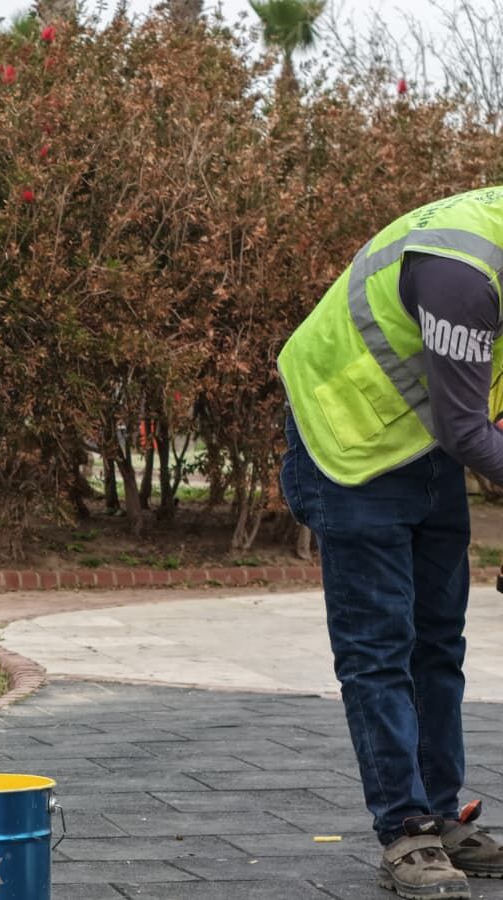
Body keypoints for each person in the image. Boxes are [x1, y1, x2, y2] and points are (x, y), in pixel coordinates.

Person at [279, 185, 503, 899]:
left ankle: (444, 814)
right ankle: (406, 830)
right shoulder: (463, 272)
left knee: (439, 641)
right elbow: (471, 430)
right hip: (351, 436)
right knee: (381, 647)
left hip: (428, 433)